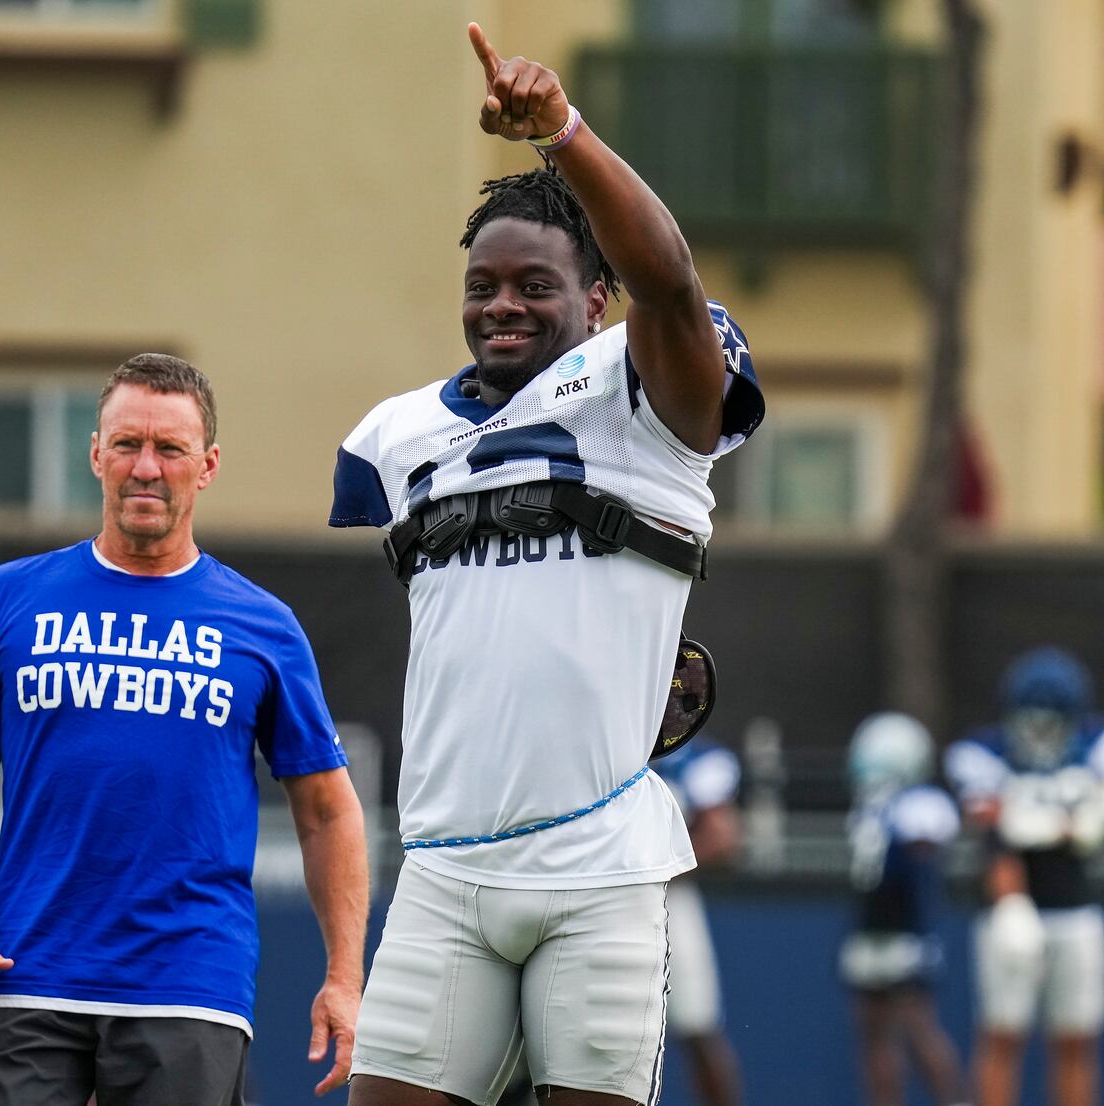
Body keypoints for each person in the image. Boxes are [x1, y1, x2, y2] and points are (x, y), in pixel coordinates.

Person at [328, 24, 762, 1106]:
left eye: (535, 283)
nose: (503, 305)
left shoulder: (648, 391)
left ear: (596, 299)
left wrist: (562, 134)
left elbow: (670, 282)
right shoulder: (397, 436)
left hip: (598, 870)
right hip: (442, 865)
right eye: (483, 284)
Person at [0, 354, 370, 1104]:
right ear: (95, 452)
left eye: (170, 449)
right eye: (127, 444)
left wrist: (344, 978)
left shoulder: (264, 626)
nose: (146, 469)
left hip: (188, 985)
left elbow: (328, 811)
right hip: (26, 972)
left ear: (208, 465)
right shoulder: (7, 599)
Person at [943, 646, 1104, 1106]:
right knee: (1002, 1036)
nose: (1040, 733)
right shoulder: (981, 752)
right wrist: (1011, 898)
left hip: (1075, 911)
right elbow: (992, 832)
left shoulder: (1103, 742)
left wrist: (1030, 818)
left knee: (1076, 1040)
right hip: (1012, 910)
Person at [839, 712, 969, 1106]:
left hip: (904, 932)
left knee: (917, 1028)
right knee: (875, 1032)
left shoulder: (918, 806)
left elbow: (924, 852)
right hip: (870, 931)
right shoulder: (870, 811)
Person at [652, 738, 746, 1106]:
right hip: (592, 895)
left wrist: (651, 872)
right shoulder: (605, 743)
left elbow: (722, 838)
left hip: (669, 899)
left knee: (698, 1029)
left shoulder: (691, 760)